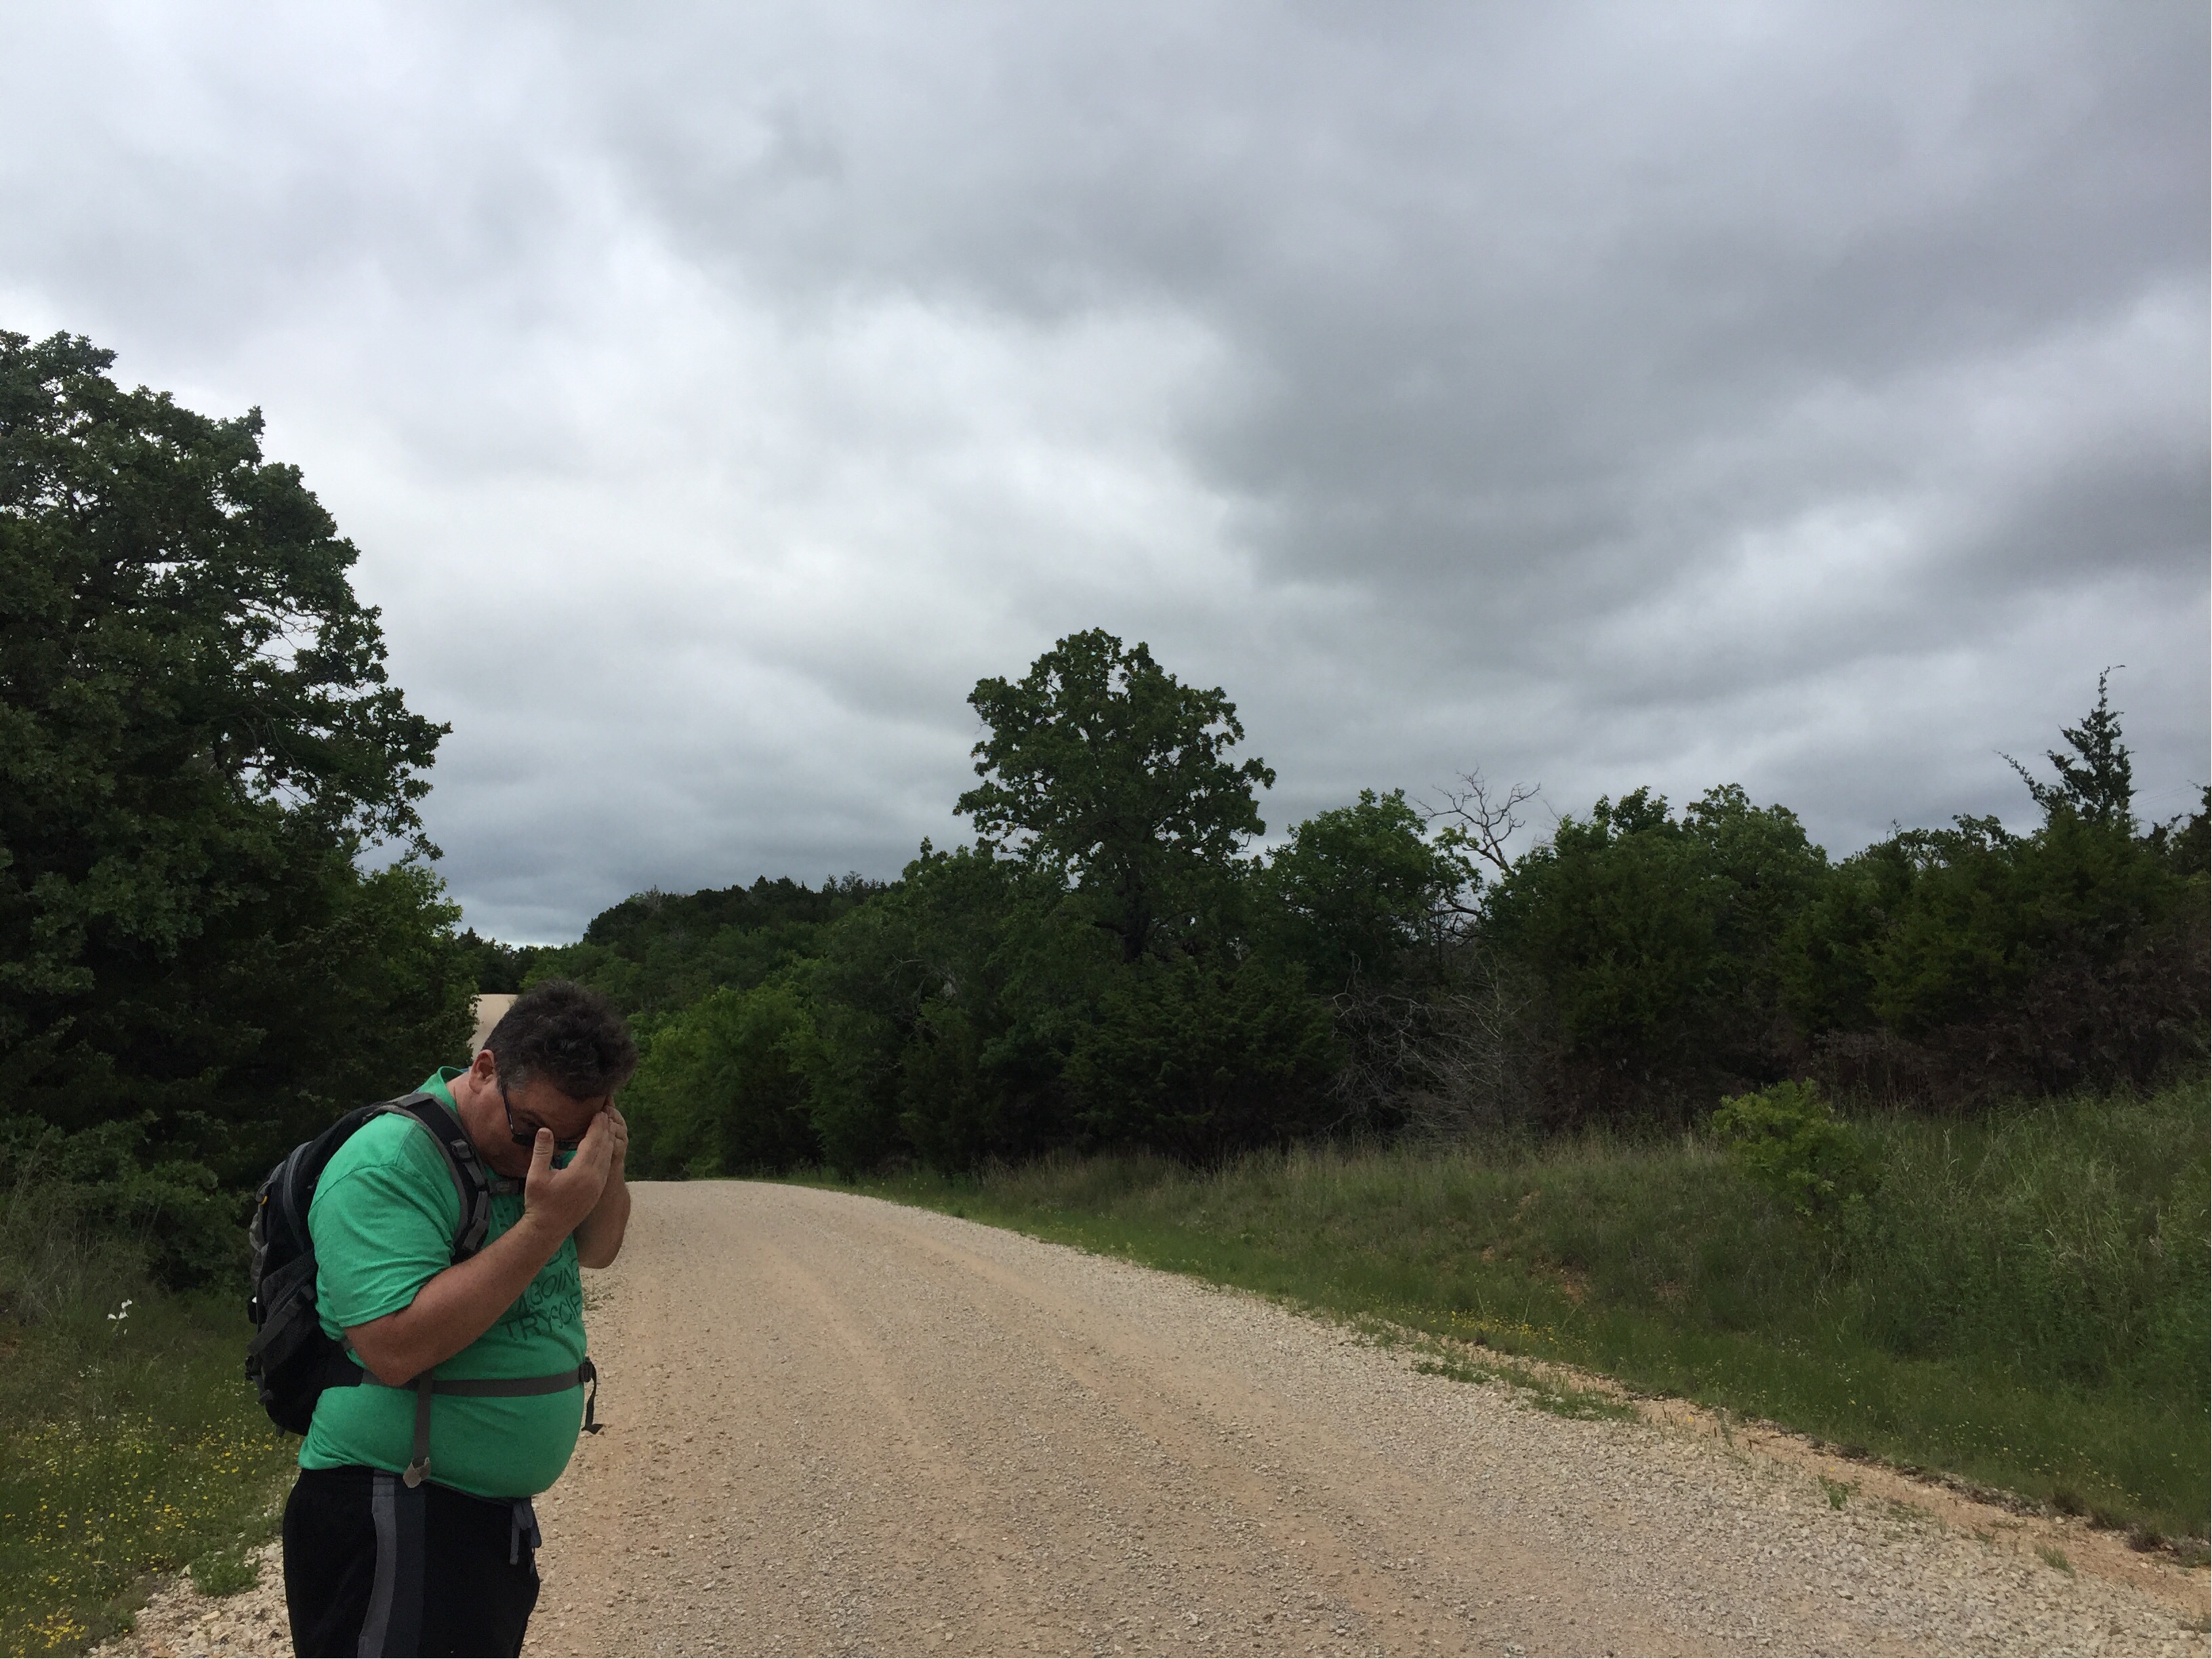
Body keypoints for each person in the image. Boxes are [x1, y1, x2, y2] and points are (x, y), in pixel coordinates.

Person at [281, 979, 638, 1658]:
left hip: (475, 1519)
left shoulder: (548, 1141)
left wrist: (603, 1169)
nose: (542, 1155)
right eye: (529, 1131)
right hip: (392, 1508)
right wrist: (544, 1224)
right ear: (484, 1069)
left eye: (569, 1139)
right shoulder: (390, 1163)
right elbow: (394, 1346)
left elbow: (598, 1249)